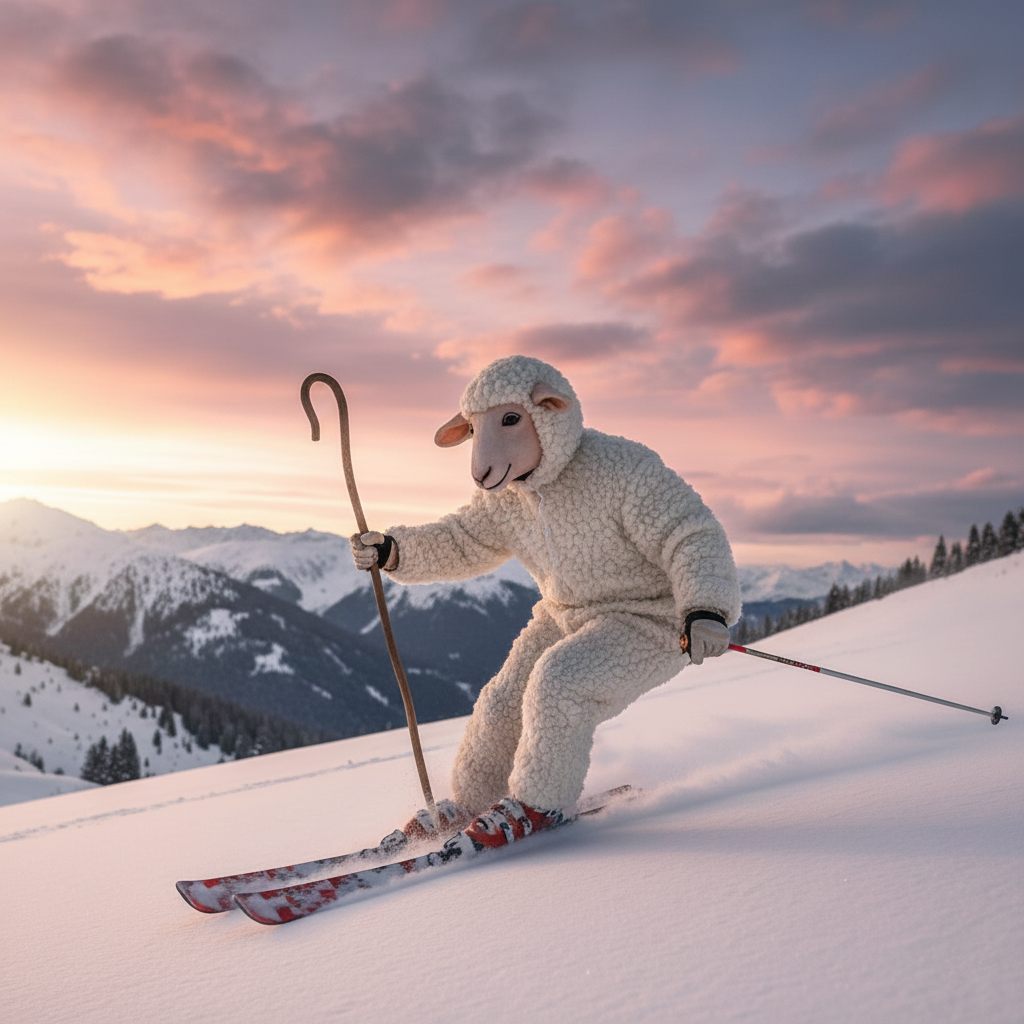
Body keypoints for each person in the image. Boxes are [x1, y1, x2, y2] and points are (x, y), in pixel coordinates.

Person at [351, 355, 740, 851]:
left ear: (549, 413)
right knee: (502, 700)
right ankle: (475, 801)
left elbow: (689, 533)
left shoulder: (621, 469)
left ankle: (541, 802)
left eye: (509, 421)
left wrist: (704, 607)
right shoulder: (507, 495)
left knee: (561, 683)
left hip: (653, 618)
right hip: (564, 614)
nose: (482, 457)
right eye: (474, 430)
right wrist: (395, 551)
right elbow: (465, 540)